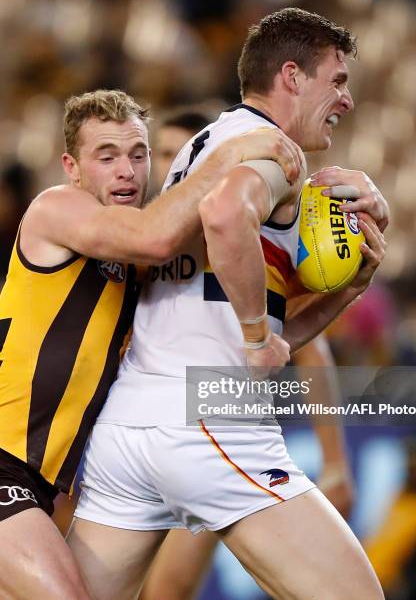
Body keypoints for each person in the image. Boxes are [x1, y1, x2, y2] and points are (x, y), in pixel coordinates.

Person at [0, 89, 303, 600]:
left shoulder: (134, 271)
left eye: (139, 155)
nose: (127, 170)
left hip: (22, 491)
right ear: (72, 167)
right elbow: (156, 237)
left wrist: (349, 287)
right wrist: (228, 154)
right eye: (107, 156)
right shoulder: (55, 209)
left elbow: (252, 324)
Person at [68, 9, 388, 600]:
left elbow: (274, 328)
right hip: (208, 416)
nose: (346, 98)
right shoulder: (275, 152)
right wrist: (252, 335)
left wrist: (348, 288)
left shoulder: (204, 143)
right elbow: (224, 215)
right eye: (336, 81)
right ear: (291, 76)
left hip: (130, 423)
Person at [140, 111, 355, 600]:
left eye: (182, 153)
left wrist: (336, 461)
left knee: (167, 591)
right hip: (143, 417)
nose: (176, 164)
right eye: (166, 156)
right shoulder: (148, 242)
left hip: (212, 415)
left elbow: (310, 347)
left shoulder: (242, 240)